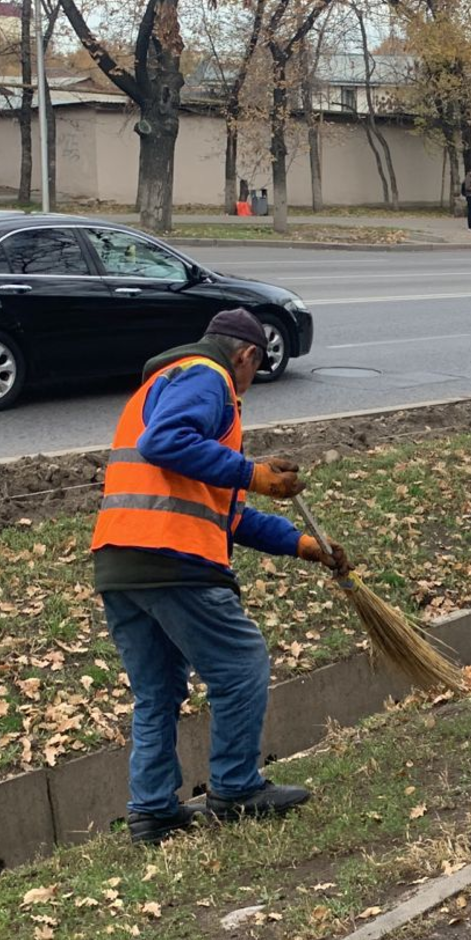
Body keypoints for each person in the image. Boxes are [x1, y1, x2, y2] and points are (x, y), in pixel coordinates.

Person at [91, 309, 349, 844]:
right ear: (247, 356)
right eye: (254, 375)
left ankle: (153, 811)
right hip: (173, 560)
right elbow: (165, 443)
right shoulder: (208, 377)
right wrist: (252, 473)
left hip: (121, 564)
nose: (248, 390)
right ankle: (235, 789)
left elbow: (227, 515)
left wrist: (303, 546)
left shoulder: (165, 386)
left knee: (157, 692)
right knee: (241, 665)